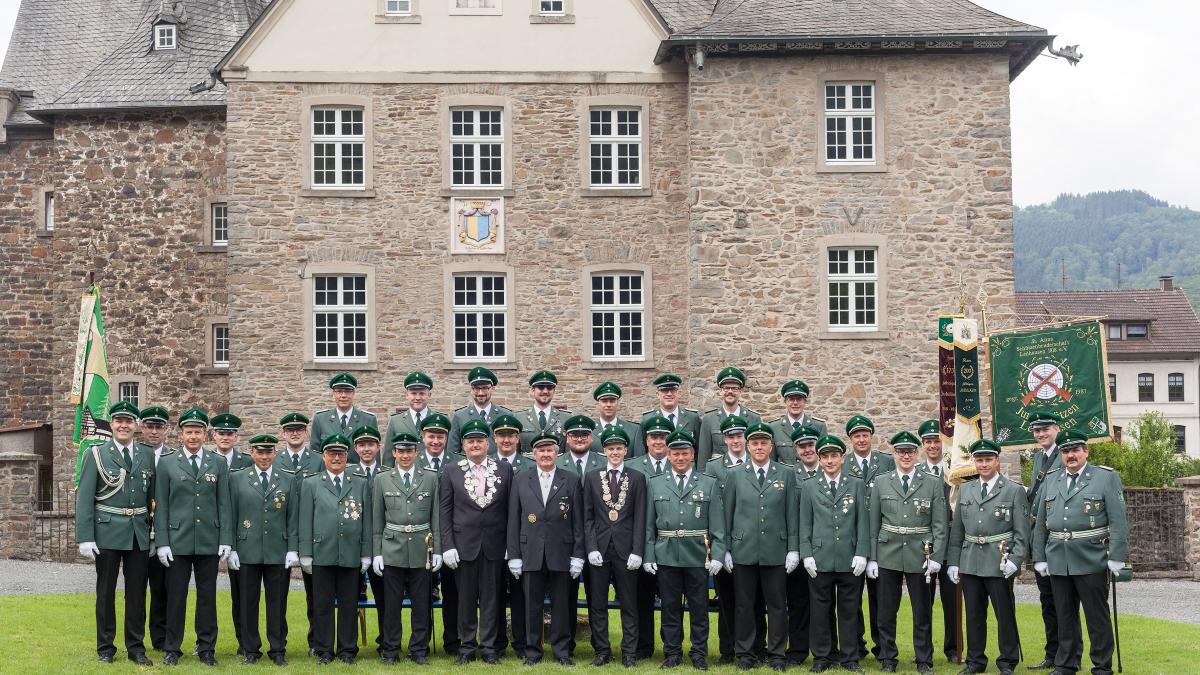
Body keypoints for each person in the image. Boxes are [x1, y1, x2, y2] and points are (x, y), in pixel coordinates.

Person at [1031, 429, 1129, 675]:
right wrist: (1039, 557)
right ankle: (1066, 663)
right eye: (1065, 451)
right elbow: (1041, 521)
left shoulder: (1105, 478)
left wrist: (1117, 556)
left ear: (1085, 451)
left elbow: (1118, 520)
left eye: (1075, 450)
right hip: (1058, 558)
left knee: (1096, 617)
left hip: (1092, 557)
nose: (1070, 455)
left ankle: (1101, 665)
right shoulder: (1051, 479)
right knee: (1064, 615)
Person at [76, 401, 156, 666]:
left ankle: (135, 647)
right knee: (106, 592)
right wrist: (85, 537)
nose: (124, 425)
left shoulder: (146, 455)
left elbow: (153, 498)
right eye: (119, 421)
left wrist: (154, 534)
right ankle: (106, 648)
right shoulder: (96, 454)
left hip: (138, 533)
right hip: (107, 531)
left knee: (136, 593)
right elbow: (85, 498)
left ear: (136, 426)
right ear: (111, 424)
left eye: (129, 421)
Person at [643, 429, 727, 670]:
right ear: (668, 455)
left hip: (698, 556)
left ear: (693, 454)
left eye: (685, 453)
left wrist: (718, 555)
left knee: (699, 609)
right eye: (676, 453)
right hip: (667, 555)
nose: (680, 458)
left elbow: (718, 527)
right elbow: (649, 525)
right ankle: (672, 653)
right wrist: (649, 554)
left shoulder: (708, 483)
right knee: (670, 608)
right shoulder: (656, 483)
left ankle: (699, 652)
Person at [155, 408, 232, 667]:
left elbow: (224, 504)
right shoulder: (167, 463)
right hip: (178, 540)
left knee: (207, 597)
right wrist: (163, 542)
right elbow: (162, 506)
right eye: (189, 432)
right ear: (180, 434)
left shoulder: (218, 462)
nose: (193, 437)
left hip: (209, 539)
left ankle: (206, 647)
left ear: (205, 434)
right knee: (176, 597)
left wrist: (225, 539)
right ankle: (172, 648)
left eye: (198, 432)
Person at [866, 430, 948, 674]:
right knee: (886, 611)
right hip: (887, 552)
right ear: (894, 454)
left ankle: (924, 660)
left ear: (917, 453)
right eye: (901, 452)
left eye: (910, 452)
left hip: (920, 554)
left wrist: (936, 557)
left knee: (922, 611)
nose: (905, 456)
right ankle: (888, 658)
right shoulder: (881, 482)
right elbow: (873, 524)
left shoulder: (932, 483)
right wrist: (872, 557)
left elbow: (940, 525)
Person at [947, 439, 1028, 675]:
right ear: (974, 462)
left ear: (997, 461)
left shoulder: (1013, 490)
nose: (983, 464)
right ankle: (975, 661)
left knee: (1004, 614)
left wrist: (1015, 559)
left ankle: (1007, 661)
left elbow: (1022, 531)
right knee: (973, 615)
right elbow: (957, 530)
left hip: (999, 561)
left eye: (988, 459)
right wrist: (954, 562)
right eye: (979, 460)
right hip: (971, 561)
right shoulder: (966, 489)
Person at [723, 422, 799, 671]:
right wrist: (725, 549)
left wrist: (793, 549)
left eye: (763, 443)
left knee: (777, 606)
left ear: (771, 446)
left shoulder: (785, 473)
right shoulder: (734, 474)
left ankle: (776, 654)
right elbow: (728, 513)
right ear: (748, 445)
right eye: (754, 443)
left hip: (775, 550)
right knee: (744, 605)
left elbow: (791, 515)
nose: (759, 447)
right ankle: (746, 653)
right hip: (743, 549)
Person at [439, 418, 514, 664]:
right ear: (463, 444)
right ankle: (467, 647)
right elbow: (445, 511)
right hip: (463, 546)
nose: (475, 445)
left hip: (495, 544)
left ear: (488, 443)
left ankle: (490, 648)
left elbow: (510, 511)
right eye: (471, 441)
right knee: (465, 600)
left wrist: (509, 546)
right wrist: (448, 545)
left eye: (480, 440)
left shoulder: (503, 469)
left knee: (493, 599)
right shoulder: (451, 470)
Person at [508, 432, 586, 666]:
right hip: (530, 551)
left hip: (561, 552)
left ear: (557, 453)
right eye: (541, 451)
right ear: (534, 454)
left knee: (562, 605)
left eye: (549, 450)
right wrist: (514, 555)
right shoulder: (521, 479)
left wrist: (578, 555)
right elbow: (514, 519)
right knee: (532, 605)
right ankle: (533, 652)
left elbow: (578, 522)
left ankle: (562, 651)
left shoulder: (570, 479)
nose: (545, 454)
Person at [798, 435, 870, 673]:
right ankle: (822, 657)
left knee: (849, 610)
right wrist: (806, 553)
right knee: (820, 611)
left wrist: (862, 553)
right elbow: (805, 523)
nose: (830, 461)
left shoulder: (856, 484)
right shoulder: (809, 486)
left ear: (842, 458)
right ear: (819, 459)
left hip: (849, 558)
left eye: (834, 456)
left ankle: (850, 658)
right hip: (820, 558)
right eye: (825, 456)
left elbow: (863, 522)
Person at [298, 433, 372, 665]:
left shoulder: (359, 482)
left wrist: (366, 552)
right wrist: (306, 553)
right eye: (332, 454)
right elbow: (305, 520)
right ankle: (324, 650)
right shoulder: (311, 483)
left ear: (347, 455)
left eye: (341, 454)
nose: (337, 458)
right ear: (324, 456)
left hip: (351, 553)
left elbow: (367, 521)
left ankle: (347, 650)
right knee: (322, 604)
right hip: (322, 552)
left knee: (350, 603)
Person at [226, 434, 299, 666]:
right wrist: (233, 548)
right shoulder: (237, 478)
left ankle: (277, 649)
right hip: (247, 549)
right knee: (247, 602)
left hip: (278, 549)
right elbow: (231, 515)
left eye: (269, 452)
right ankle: (250, 649)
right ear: (252, 452)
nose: (264, 456)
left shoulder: (288, 479)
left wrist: (292, 548)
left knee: (277, 603)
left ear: (274, 454)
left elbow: (293, 516)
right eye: (260, 452)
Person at [371, 431, 442, 666]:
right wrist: (377, 552)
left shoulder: (431, 478)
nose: (404, 455)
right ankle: (391, 650)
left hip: (423, 549)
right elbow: (377, 519)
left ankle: (418, 650)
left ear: (416, 452)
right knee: (391, 605)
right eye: (400, 451)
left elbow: (436, 518)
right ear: (393, 453)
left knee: (422, 604)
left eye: (409, 451)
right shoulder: (382, 479)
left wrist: (438, 550)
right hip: (393, 548)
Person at [583, 425, 647, 667]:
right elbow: (587, 517)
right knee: (597, 604)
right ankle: (602, 650)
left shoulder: (637, 478)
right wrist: (591, 548)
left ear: (626, 450)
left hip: (626, 550)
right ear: (605, 451)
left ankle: (629, 653)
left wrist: (638, 551)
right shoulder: (591, 477)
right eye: (611, 448)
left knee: (629, 604)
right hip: (599, 549)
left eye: (619, 448)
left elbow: (640, 517)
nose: (615, 452)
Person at [1025, 411, 1078, 670]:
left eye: (1045, 429)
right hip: (1042, 537)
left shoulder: (1066, 453)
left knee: (1064, 602)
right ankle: (1052, 652)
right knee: (1047, 600)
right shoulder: (1039, 458)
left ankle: (1067, 657)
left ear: (1056, 428)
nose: (1041, 434)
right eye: (1036, 430)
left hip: (1062, 539)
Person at [703, 415, 757, 665]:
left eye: (739, 436)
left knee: (753, 599)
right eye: (731, 436)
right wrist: (720, 548)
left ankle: (756, 646)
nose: (736, 440)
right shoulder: (714, 467)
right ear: (724, 439)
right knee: (726, 598)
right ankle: (727, 649)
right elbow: (713, 508)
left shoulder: (757, 461)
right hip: (723, 540)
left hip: (751, 542)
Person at [843, 415, 893, 662]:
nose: (861, 440)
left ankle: (882, 647)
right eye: (856, 436)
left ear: (871, 437)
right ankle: (856, 644)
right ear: (850, 439)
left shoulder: (886, 462)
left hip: (881, 538)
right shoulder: (841, 463)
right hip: (851, 538)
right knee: (852, 598)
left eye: (864, 435)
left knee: (880, 598)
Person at [272, 411, 322, 656]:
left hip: (313, 534)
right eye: (290, 430)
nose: (295, 433)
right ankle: (278, 644)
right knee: (278, 595)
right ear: (283, 434)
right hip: (282, 534)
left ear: (306, 433)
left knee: (315, 595)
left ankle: (316, 642)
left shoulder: (318, 460)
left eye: (299, 430)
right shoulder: (274, 459)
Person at [555, 414, 605, 654]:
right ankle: (568, 644)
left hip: (599, 540)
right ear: (567, 437)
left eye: (584, 434)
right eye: (574, 435)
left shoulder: (603, 463)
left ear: (591, 437)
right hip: (567, 540)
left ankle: (599, 645)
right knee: (566, 596)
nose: (579, 439)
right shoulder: (557, 462)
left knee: (597, 596)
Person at [627, 413, 675, 659]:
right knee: (641, 598)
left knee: (670, 600)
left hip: (670, 542)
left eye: (664, 437)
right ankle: (643, 646)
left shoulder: (679, 463)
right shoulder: (634, 466)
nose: (659, 442)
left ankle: (671, 648)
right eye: (654, 437)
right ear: (646, 440)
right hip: (639, 540)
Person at [916, 419, 960, 663]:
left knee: (952, 602)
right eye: (929, 441)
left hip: (951, 545)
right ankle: (924, 651)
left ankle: (953, 649)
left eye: (937, 441)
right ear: (923, 445)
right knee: (923, 603)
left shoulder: (956, 471)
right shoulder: (917, 473)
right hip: (923, 547)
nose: (933, 446)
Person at [418, 413, 461, 656]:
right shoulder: (412, 461)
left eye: (440, 436)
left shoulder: (457, 462)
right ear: (423, 437)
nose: (436, 441)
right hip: (422, 538)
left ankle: (453, 641)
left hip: (453, 536)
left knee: (453, 593)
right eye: (431, 436)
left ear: (447, 438)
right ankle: (421, 643)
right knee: (423, 594)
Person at [209, 411, 251, 654]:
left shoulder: (246, 461)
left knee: (241, 592)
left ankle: (244, 642)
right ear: (214, 435)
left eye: (230, 433)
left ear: (236, 436)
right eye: (221, 433)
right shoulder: (205, 459)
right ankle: (206, 644)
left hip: (240, 533)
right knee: (206, 592)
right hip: (208, 531)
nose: (225, 437)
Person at [489, 414, 531, 658]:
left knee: (520, 594)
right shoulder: (487, 463)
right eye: (501, 435)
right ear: (495, 438)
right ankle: (495, 643)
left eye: (511, 435)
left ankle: (522, 643)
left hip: (523, 538)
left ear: (518, 438)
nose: (506, 440)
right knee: (493, 592)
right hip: (493, 539)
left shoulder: (529, 465)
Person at [136, 404, 173, 653]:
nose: (154, 431)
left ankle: (160, 639)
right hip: (138, 531)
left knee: (162, 589)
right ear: (141, 427)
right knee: (137, 589)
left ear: (167, 429)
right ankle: (135, 639)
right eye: (149, 426)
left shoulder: (174, 458)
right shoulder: (135, 454)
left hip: (166, 533)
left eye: (159, 427)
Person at [350, 426, 386, 655]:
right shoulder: (348, 473)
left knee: (385, 597)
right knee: (349, 597)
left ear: (378, 447)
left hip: (383, 544)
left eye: (370, 444)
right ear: (355, 448)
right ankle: (348, 644)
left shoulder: (388, 472)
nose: (366, 449)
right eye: (362, 445)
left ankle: (386, 641)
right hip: (355, 545)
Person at [698, 366, 761, 471]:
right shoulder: (709, 419)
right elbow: (703, 456)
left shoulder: (754, 418)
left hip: (747, 473)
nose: (730, 391)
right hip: (719, 474)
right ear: (720, 391)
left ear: (741, 392)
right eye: (726, 388)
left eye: (734, 388)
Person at [309, 372, 379, 463]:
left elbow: (375, 454)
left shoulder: (368, 419)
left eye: (347, 391)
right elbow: (315, 454)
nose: (343, 395)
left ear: (353, 393)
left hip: (359, 474)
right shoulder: (320, 419)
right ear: (333, 394)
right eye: (339, 391)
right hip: (329, 474)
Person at [448, 367, 512, 457]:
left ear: (493, 389)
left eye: (485, 388)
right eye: (476, 388)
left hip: (498, 467)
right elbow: (452, 452)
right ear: (471, 389)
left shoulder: (505, 415)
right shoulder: (459, 416)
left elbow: (513, 448)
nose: (480, 393)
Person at [384, 371, 440, 465]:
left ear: (429, 395)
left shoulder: (439, 420)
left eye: (422, 393)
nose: (417, 398)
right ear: (407, 395)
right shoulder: (396, 421)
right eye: (413, 393)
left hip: (433, 475)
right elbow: (388, 457)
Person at [768, 380, 827, 465]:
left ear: (805, 402)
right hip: (785, 477)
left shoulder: (819, 426)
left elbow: (823, 457)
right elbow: (772, 461)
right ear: (785, 402)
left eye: (799, 399)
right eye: (791, 399)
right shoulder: (774, 427)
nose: (795, 403)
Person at [518, 370, 570, 453]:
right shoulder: (519, 418)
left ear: (554, 391)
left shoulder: (566, 418)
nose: (545, 391)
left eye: (549, 388)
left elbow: (568, 454)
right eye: (541, 387)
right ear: (532, 390)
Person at [590, 381, 646, 458]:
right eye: (604, 401)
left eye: (612, 401)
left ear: (617, 403)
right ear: (598, 404)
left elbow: (639, 461)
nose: (608, 405)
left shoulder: (634, 430)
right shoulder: (589, 431)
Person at [641, 373, 701, 443]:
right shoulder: (648, 419)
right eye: (665, 390)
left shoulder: (692, 418)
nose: (669, 394)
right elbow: (644, 448)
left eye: (673, 390)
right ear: (657, 394)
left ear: (678, 393)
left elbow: (699, 448)